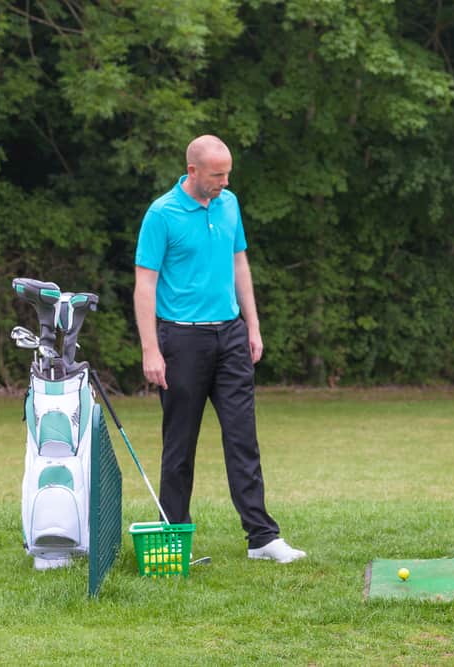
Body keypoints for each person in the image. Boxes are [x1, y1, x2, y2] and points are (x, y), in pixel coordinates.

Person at [133, 134, 305, 563]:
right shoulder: (162, 214)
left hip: (230, 336)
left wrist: (253, 325)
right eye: (217, 175)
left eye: (228, 173)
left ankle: (262, 538)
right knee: (179, 444)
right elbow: (145, 284)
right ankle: (173, 537)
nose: (225, 182)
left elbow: (239, 263)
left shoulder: (229, 205)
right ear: (192, 171)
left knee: (243, 438)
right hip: (182, 339)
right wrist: (150, 350)